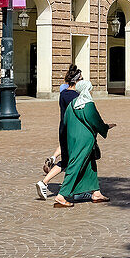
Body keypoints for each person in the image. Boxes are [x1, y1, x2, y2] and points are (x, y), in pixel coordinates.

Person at [53, 79, 115, 208]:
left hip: (72, 139)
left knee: (90, 164)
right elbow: (96, 121)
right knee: (75, 165)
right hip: (85, 140)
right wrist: (105, 127)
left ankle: (96, 193)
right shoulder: (88, 104)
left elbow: (65, 122)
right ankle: (61, 195)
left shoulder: (72, 104)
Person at [36, 66, 82, 199]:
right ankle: (47, 183)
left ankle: (45, 181)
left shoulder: (63, 94)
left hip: (63, 129)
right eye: (82, 79)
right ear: (77, 81)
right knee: (76, 160)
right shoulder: (76, 96)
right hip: (73, 131)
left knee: (67, 160)